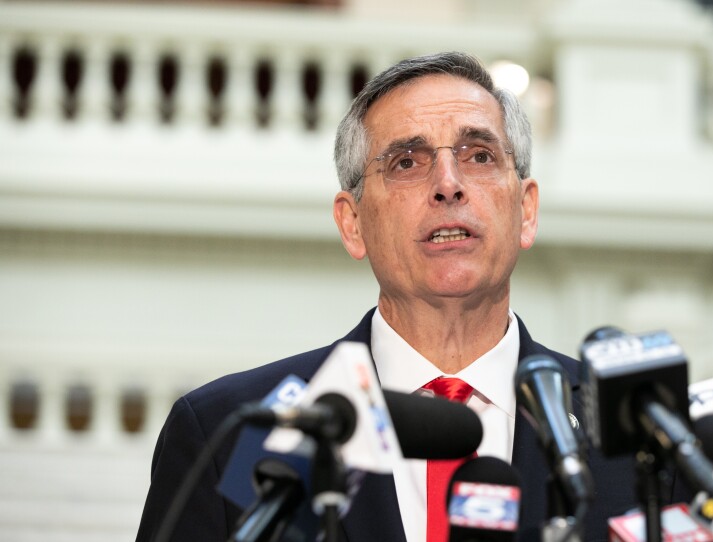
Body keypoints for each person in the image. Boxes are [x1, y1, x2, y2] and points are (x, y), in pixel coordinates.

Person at [136, 51, 683, 542]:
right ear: (353, 224)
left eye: (479, 155)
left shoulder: (646, 437)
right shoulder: (232, 437)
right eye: (407, 162)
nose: (449, 184)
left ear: (527, 210)